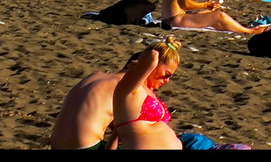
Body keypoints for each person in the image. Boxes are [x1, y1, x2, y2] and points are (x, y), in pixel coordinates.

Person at [51, 39, 182, 149]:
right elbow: (124, 133)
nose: (167, 80)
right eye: (166, 75)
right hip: (87, 146)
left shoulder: (96, 76)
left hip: (57, 144)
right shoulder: (123, 87)